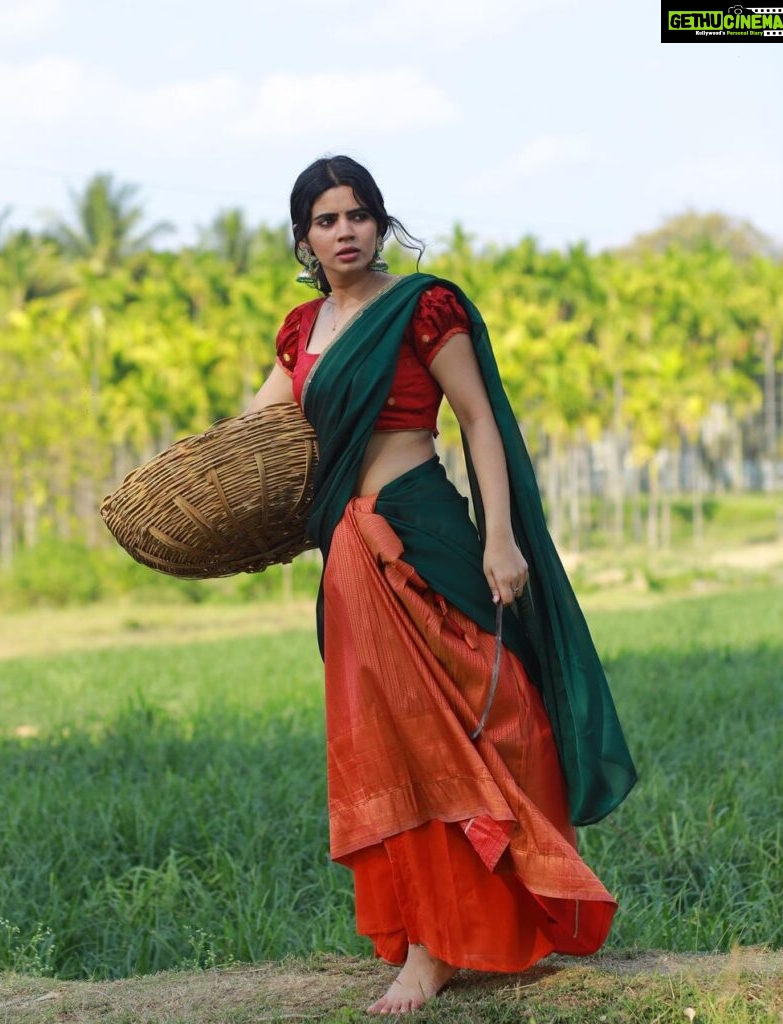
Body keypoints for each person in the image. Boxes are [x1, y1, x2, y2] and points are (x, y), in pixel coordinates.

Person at [246, 155, 636, 1015]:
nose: (342, 231)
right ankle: (429, 945)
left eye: (356, 215)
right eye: (324, 220)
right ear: (303, 237)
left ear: (379, 222)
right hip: (348, 551)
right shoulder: (300, 330)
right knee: (395, 740)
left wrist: (499, 539)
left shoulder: (421, 307)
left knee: (497, 717)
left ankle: (500, 908)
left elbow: (476, 419)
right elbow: (254, 432)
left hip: (425, 527)